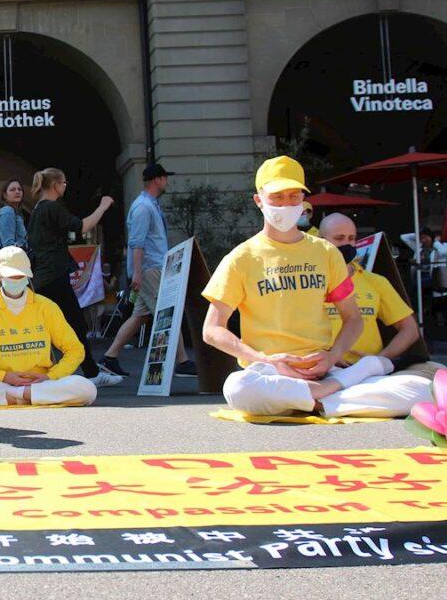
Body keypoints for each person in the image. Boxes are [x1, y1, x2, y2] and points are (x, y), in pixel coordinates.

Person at [202, 157, 393, 416]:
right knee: (237, 387)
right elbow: (212, 329)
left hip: (323, 367)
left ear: (304, 200)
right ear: (259, 201)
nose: (286, 204)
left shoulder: (326, 252)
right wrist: (265, 359)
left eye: (293, 196)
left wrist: (333, 354)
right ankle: (331, 394)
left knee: (415, 389)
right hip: (269, 371)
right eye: (277, 197)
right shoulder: (241, 258)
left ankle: (316, 396)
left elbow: (353, 318)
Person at [312, 212, 435, 416]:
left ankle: (324, 401)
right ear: (321, 241)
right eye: (339, 239)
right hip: (325, 370)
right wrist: (328, 358)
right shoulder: (310, 283)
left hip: (371, 375)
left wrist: (378, 361)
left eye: (352, 238)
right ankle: (340, 399)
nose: (347, 244)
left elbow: (409, 329)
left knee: (432, 381)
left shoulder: (375, 281)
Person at [0, 247, 97, 408]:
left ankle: (14, 397)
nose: (16, 279)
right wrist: (4, 376)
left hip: (42, 383)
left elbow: (75, 350)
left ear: (28, 275)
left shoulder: (46, 307)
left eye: (20, 275)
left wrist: (51, 376)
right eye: (10, 275)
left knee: (87, 388)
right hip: (0, 384)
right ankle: (30, 397)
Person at [26, 167, 121, 387]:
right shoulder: (51, 207)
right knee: (75, 325)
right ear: (56, 185)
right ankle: (90, 373)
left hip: (43, 277)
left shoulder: (38, 210)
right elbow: (83, 226)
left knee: (55, 326)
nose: (65, 188)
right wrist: (103, 206)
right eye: (64, 184)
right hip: (55, 276)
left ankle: (77, 370)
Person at [99, 163, 195, 377]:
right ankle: (183, 361)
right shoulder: (144, 207)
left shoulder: (148, 205)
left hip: (150, 267)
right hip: (151, 268)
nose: (167, 182)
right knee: (168, 312)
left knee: (140, 316)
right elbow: (137, 242)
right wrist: (138, 273)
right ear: (157, 180)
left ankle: (109, 357)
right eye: (165, 178)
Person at [0, 179, 29, 252]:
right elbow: (8, 245)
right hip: (12, 259)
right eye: (12, 190)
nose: (17, 192)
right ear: (5, 195)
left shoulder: (15, 213)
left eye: (19, 189)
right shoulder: (8, 212)